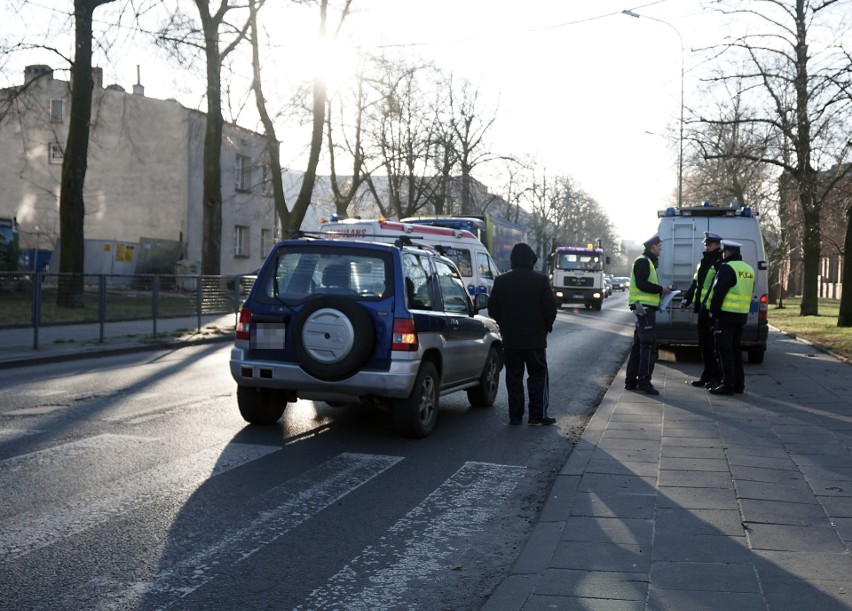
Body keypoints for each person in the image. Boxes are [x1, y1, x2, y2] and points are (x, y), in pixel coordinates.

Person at [488, 242, 558, 426]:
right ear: (531, 260)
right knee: (538, 375)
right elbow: (550, 308)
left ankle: (515, 416)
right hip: (535, 339)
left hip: (511, 340)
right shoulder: (540, 280)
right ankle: (536, 416)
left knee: (513, 377)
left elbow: (493, 309)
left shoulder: (501, 281)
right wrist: (545, 327)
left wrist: (504, 325)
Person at [625, 233, 672, 395]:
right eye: (659, 246)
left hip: (643, 308)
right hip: (644, 308)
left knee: (639, 344)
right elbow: (642, 284)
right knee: (648, 345)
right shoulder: (643, 262)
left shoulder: (647, 262)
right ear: (653, 246)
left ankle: (631, 381)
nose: (661, 249)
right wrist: (661, 289)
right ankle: (644, 381)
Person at [707, 240, 755, 395]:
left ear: (727, 253)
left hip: (726, 316)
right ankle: (738, 385)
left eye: (723, 252)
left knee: (724, 351)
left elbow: (719, 293)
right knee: (735, 351)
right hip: (741, 316)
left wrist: (713, 314)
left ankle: (727, 385)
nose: (722, 254)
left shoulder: (727, 268)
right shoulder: (749, 269)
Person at [680, 232, 724, 387]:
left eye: (710, 244)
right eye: (706, 244)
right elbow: (695, 284)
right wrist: (687, 300)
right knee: (704, 345)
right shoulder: (702, 263)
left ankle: (716, 377)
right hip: (702, 310)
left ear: (718, 245)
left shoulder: (720, 262)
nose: (707, 247)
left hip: (712, 309)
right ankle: (706, 375)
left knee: (713, 346)